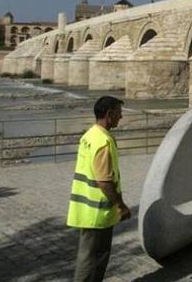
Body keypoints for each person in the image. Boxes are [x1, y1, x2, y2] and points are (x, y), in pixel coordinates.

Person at [67, 96, 131, 282]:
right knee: (92, 258)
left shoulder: (89, 135)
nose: (121, 117)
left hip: (85, 209)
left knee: (90, 255)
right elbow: (104, 181)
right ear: (109, 114)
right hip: (97, 212)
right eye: (119, 113)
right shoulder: (103, 141)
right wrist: (120, 205)